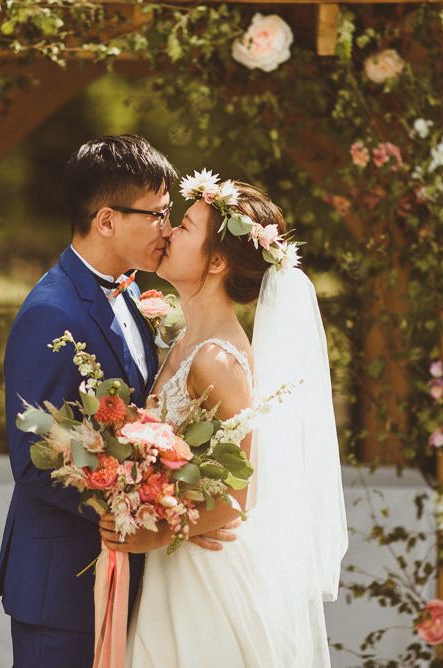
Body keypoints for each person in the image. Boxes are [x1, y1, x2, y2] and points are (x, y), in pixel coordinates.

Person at [0, 137, 236, 668]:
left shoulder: (128, 292)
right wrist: (137, 513)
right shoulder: (50, 314)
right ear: (106, 220)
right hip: (64, 587)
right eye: (157, 214)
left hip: (131, 577)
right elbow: (34, 460)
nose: (167, 229)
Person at [98, 172, 348, 667]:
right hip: (174, 569)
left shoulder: (218, 360)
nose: (168, 232)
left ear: (215, 261)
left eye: (185, 226)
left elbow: (238, 498)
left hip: (204, 579)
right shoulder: (180, 339)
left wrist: (156, 531)